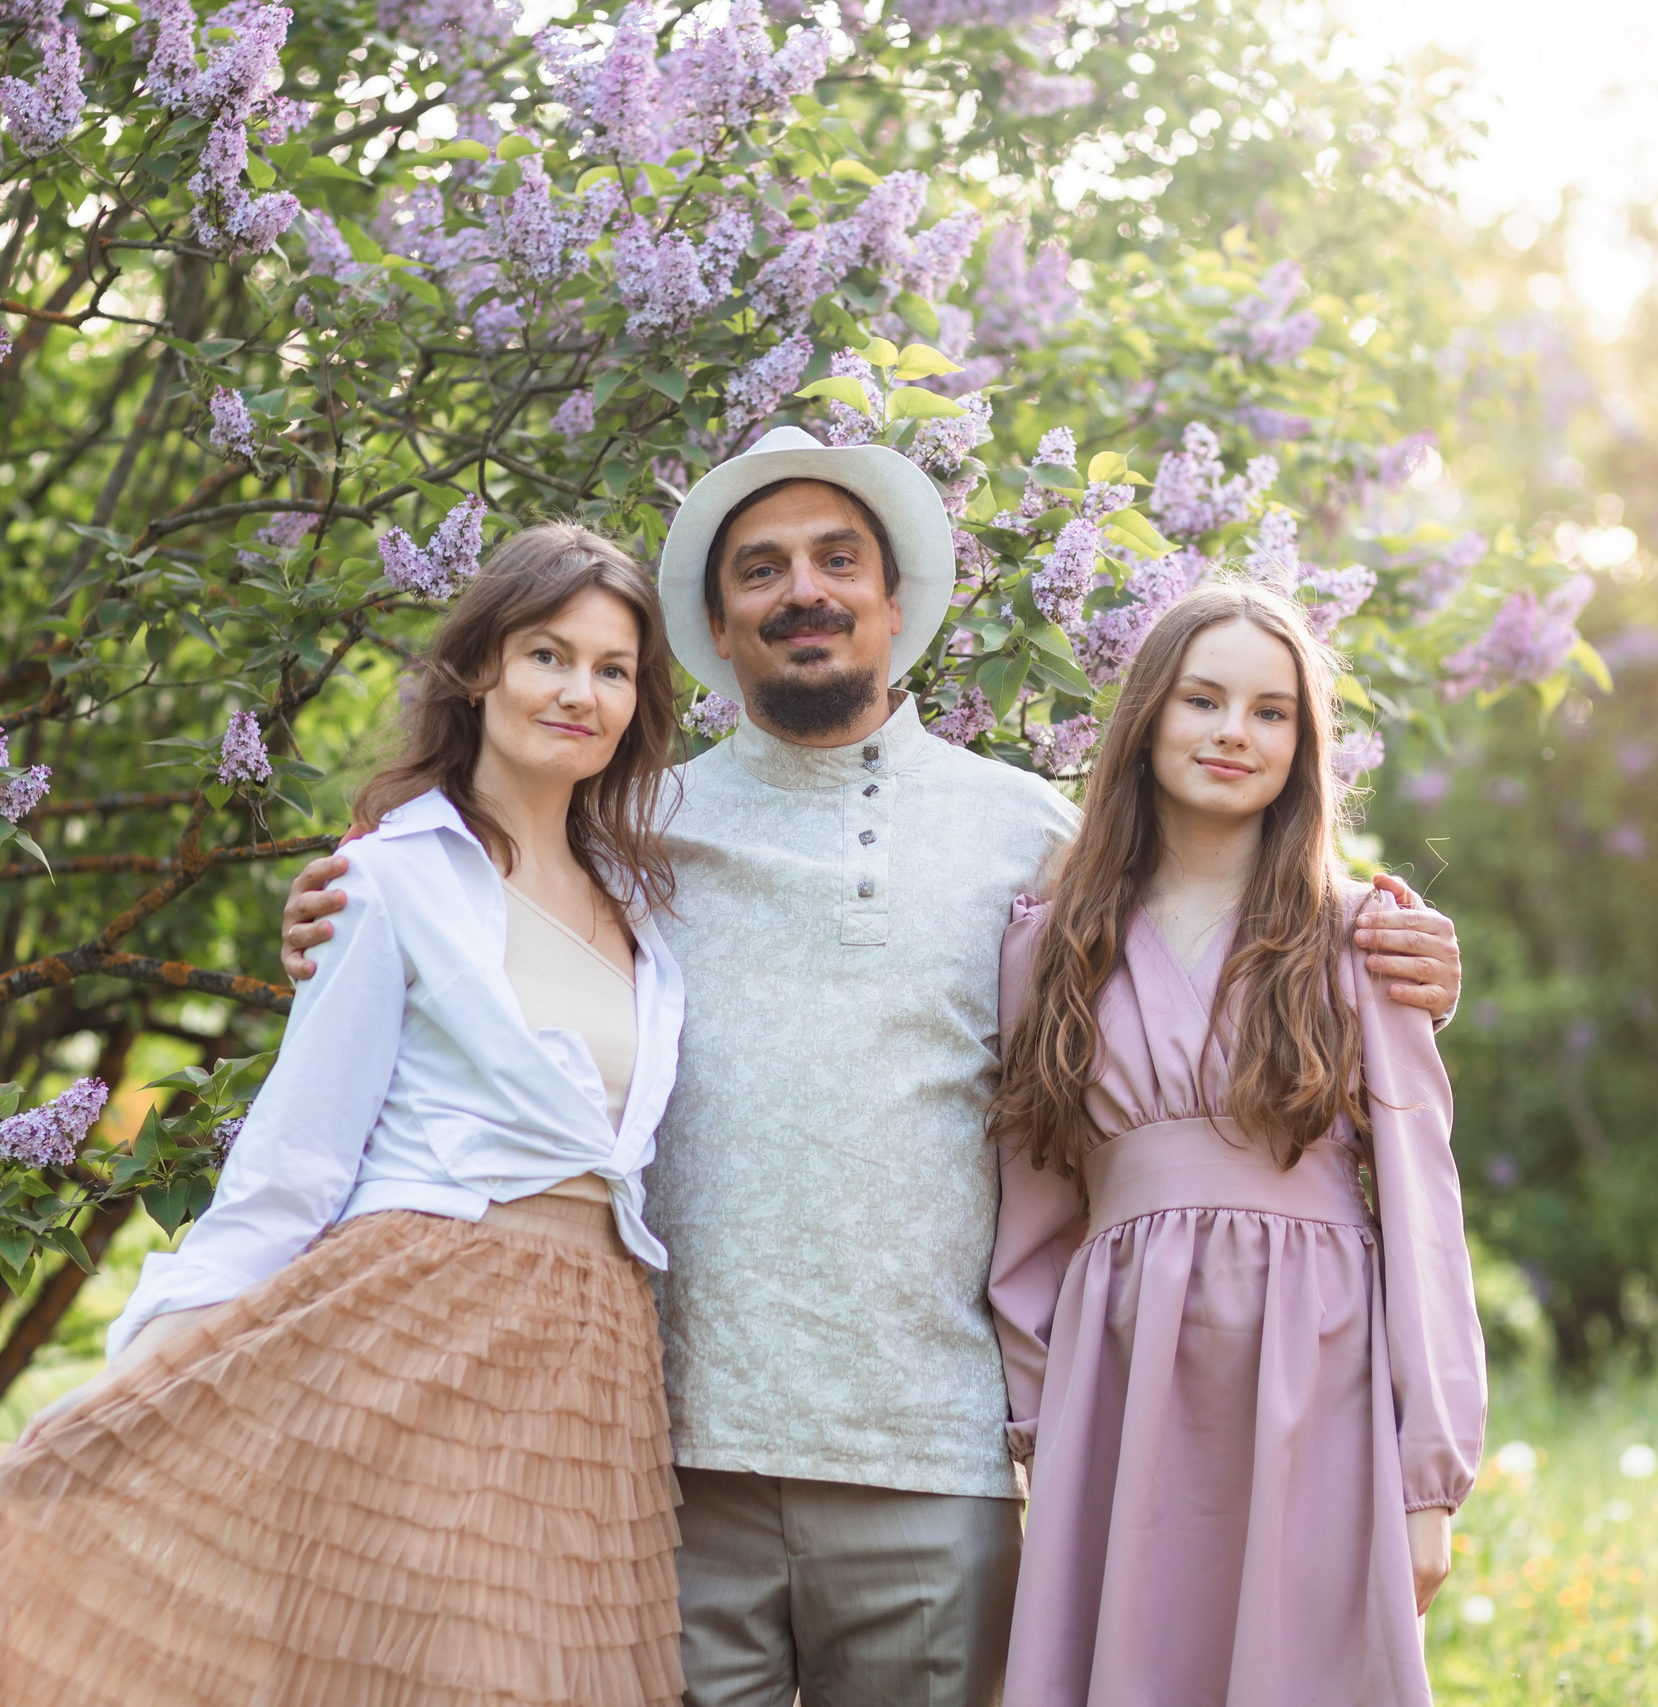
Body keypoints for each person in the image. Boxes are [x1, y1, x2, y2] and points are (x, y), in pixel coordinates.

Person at [282, 427, 1467, 1706]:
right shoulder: (629, 831)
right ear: (718, 630)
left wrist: (1397, 952)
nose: (806, 590)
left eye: (838, 559)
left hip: (931, 1460)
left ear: (895, 606)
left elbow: (1194, 953)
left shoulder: (1033, 841)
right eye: (763, 570)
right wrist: (345, 915)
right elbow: (475, 918)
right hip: (671, 1460)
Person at [0, 523, 692, 1707]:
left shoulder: (643, 901)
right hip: (421, 1328)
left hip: (596, 1365)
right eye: (546, 655)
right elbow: (294, 1159)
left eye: (612, 669)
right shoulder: (389, 879)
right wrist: (148, 1367)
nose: (579, 691)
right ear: (479, 670)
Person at [987, 583, 1487, 1707]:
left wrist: (1428, 1481)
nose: (1232, 732)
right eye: (1201, 699)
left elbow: (1422, 1211)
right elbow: (1032, 1210)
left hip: (1317, 1367)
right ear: (1146, 721)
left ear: (1303, 747)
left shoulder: (1361, 940)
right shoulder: (1049, 947)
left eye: (1270, 712)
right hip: (1118, 1381)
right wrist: (1038, 1428)